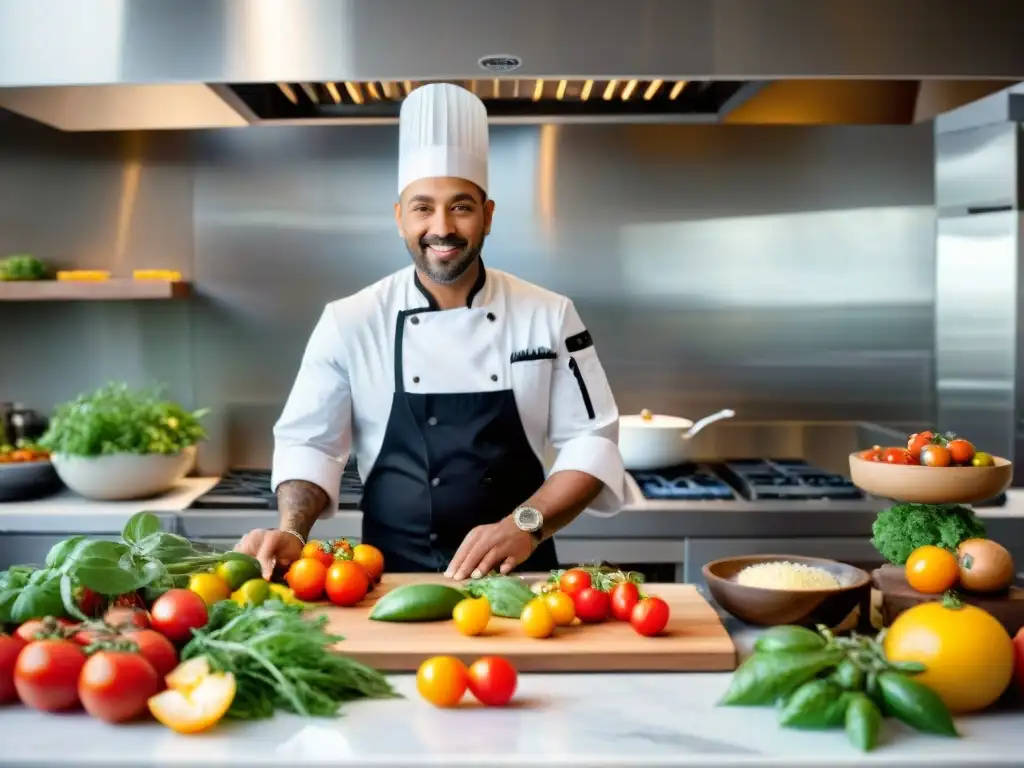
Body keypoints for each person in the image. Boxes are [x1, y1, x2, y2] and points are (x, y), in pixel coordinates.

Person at [235, 83, 624, 582]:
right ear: (400, 218)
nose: (441, 227)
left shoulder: (550, 313)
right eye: (422, 207)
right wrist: (291, 530)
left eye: (461, 207)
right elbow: (309, 444)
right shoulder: (350, 319)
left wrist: (524, 525)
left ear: (487, 216)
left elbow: (593, 440)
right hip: (381, 585)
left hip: (522, 580)